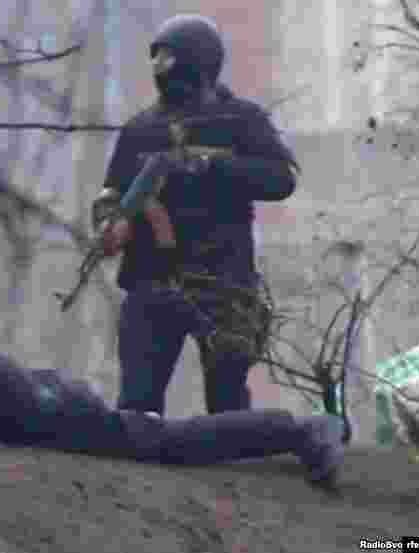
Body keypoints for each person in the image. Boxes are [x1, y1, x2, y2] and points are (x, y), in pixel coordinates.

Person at [0, 321, 345, 490]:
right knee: (170, 438)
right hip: (52, 401)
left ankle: (300, 431)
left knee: (174, 443)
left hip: (68, 418)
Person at [93, 14, 299, 415]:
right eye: (155, 58)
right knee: (137, 404)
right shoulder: (141, 128)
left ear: (195, 62)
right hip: (151, 278)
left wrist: (211, 166)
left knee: (227, 401)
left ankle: (241, 476)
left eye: (167, 58)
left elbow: (280, 179)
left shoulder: (240, 119)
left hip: (220, 280)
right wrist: (107, 224)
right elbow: (113, 192)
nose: (158, 68)